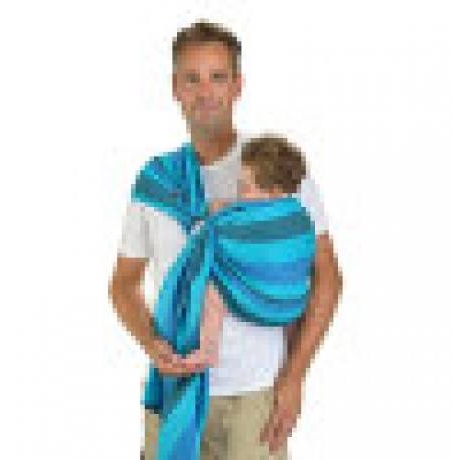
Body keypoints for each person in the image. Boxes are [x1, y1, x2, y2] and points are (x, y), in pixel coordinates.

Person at [108, 20, 343, 460]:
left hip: (256, 396)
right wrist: (152, 344)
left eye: (218, 77)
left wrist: (295, 376)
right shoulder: (156, 181)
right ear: (174, 89)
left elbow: (326, 276)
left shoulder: (275, 168)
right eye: (191, 79)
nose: (205, 92)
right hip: (175, 388)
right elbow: (123, 284)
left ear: (238, 86)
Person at [181, 134, 312, 371]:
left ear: (274, 191)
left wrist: (212, 218)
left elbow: (226, 232)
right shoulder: (299, 214)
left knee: (213, 288)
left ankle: (208, 350)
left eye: (245, 187)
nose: (240, 193)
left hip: (264, 303)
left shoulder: (261, 218)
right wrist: (226, 206)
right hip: (292, 306)